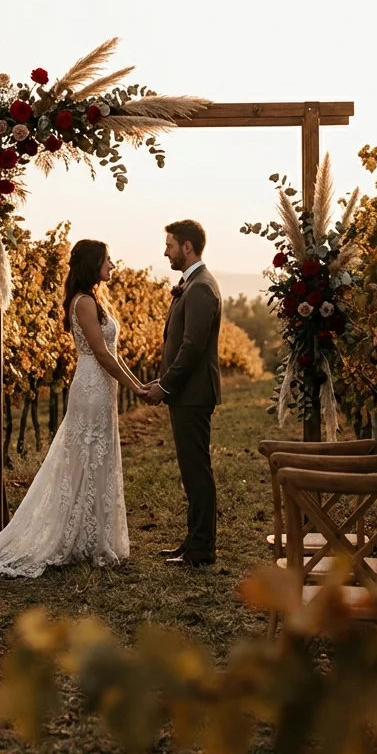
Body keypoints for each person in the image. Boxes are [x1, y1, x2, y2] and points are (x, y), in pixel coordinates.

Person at [0, 239, 143, 578]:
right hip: (91, 384)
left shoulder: (93, 298)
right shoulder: (84, 302)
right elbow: (102, 354)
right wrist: (137, 387)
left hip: (101, 385)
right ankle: (75, 538)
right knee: (85, 457)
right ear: (93, 264)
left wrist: (136, 384)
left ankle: (90, 537)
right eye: (108, 260)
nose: (113, 266)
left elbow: (111, 354)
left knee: (96, 457)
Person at [144, 220, 222, 567]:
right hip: (187, 394)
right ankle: (193, 542)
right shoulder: (193, 284)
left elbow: (192, 347)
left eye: (170, 245)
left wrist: (165, 385)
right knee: (191, 471)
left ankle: (202, 548)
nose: (166, 251)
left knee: (197, 471)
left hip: (192, 393)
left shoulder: (201, 287)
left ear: (187, 246)